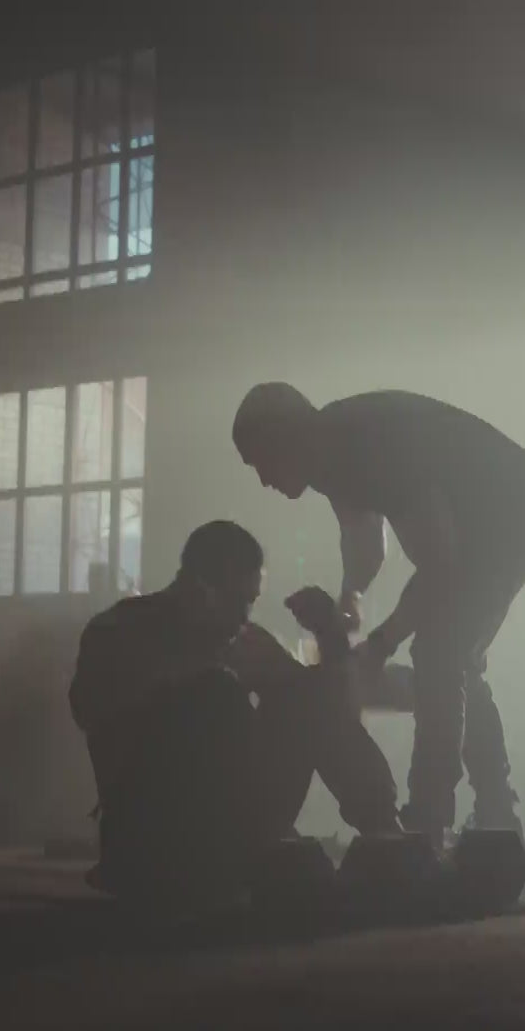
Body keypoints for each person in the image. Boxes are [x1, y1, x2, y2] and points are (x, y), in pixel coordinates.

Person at [233, 384, 525, 846]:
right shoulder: (329, 452)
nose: (264, 480)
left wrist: (382, 643)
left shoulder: (367, 448)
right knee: (454, 656)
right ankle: (493, 812)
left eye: (260, 462)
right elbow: (366, 541)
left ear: (284, 439)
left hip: (506, 520)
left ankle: (430, 817)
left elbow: (440, 565)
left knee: (439, 652)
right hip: (494, 517)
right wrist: (349, 598)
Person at [69, 520, 399, 915]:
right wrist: (195, 676)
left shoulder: (239, 640)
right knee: (217, 693)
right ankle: (229, 860)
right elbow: (88, 709)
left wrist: (331, 640)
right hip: (147, 832)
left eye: (251, 602)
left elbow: (325, 713)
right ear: (198, 589)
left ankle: (384, 832)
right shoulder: (119, 629)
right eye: (239, 601)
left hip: (232, 828)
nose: (245, 616)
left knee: (302, 695)